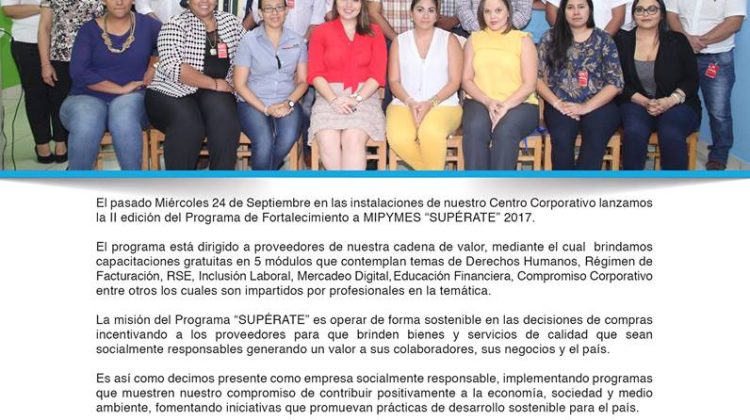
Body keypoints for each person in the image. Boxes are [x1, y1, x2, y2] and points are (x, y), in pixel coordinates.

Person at [60, 0, 160, 170]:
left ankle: (132, 182)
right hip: (85, 96)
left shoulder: (148, 25)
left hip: (134, 96)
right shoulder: (88, 30)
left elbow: (174, 47)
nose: (119, 2)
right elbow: (79, 72)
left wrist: (154, 66)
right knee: (87, 119)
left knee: (123, 114)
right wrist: (120, 89)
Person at [145, 0, 244, 170]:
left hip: (215, 92)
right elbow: (173, 66)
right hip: (170, 90)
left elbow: (249, 52)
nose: (204, 1)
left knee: (225, 119)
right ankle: (180, 184)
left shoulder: (231, 22)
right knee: (189, 125)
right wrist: (214, 83)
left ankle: (221, 180)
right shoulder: (175, 24)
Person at [537, 0, 623, 170]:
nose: (576, 12)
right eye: (570, 7)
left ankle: (584, 184)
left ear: (590, 10)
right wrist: (557, 104)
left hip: (599, 104)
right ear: (563, 11)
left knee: (595, 134)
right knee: (562, 137)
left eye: (581, 7)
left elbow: (615, 83)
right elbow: (536, 78)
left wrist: (585, 107)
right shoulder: (550, 37)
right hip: (560, 104)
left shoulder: (603, 39)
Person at [615, 0, 700, 170]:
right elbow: (617, 81)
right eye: (640, 10)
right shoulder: (621, 41)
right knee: (635, 130)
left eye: (652, 9)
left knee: (670, 130)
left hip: (677, 103)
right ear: (633, 15)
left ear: (662, 14)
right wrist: (645, 102)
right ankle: (631, 183)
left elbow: (691, 80)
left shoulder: (677, 40)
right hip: (635, 102)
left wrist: (669, 101)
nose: (645, 14)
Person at [666, 0, 746, 170]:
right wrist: (686, 40)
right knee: (673, 100)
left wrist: (699, 41)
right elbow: (671, 15)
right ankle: (673, 144)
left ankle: (719, 156)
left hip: (716, 57)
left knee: (719, 111)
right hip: (680, 53)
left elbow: (734, 22)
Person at [307, 0, 387, 170]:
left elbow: (377, 75)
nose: (349, 5)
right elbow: (315, 73)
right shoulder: (320, 32)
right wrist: (333, 99)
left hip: (364, 98)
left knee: (353, 139)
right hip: (328, 97)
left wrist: (356, 98)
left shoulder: (375, 32)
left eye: (355, 0)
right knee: (328, 140)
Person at [385, 0, 463, 170]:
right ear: (411, 14)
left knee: (430, 132)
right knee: (398, 137)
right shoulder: (399, 41)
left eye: (431, 10)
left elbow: (455, 81)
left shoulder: (450, 40)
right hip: (404, 104)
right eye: (420, 10)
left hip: (444, 104)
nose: (425, 15)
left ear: (437, 15)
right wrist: (410, 102)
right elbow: (393, 81)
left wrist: (431, 102)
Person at [461, 0, 538, 170]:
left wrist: (505, 106)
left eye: (498, 10)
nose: (493, 16)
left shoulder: (523, 40)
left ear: (508, 12)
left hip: (520, 103)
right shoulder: (474, 39)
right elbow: (466, 80)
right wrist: (488, 101)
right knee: (475, 128)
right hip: (480, 101)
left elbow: (530, 84)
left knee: (505, 131)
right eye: (487, 12)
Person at [234, 0, 309, 170]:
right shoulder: (248, 40)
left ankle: (260, 176)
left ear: (286, 10)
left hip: (286, 100)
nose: (274, 13)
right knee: (264, 141)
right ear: (260, 13)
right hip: (252, 102)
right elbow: (239, 84)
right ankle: (263, 181)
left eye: (279, 7)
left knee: (288, 136)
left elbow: (303, 81)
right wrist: (266, 109)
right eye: (268, 9)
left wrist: (289, 102)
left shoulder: (297, 41)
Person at [37, 0, 104, 163]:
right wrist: (45, 64)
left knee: (92, 109)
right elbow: (44, 28)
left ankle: (88, 158)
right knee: (63, 107)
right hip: (61, 58)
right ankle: (75, 160)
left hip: (95, 59)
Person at [1, 0, 56, 163]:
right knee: (36, 96)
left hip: (61, 42)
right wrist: (43, 7)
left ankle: (62, 144)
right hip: (26, 42)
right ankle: (43, 146)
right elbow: (9, 10)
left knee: (59, 95)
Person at [544, 0, 627, 34]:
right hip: (565, 41)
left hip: (604, 43)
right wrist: (566, 36)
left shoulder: (604, 42)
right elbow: (551, 12)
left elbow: (619, 17)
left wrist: (600, 41)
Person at [457, 0, 532, 33]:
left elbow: (524, 11)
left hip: (510, 35)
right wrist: (481, 30)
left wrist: (504, 29)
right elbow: (462, 9)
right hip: (476, 34)